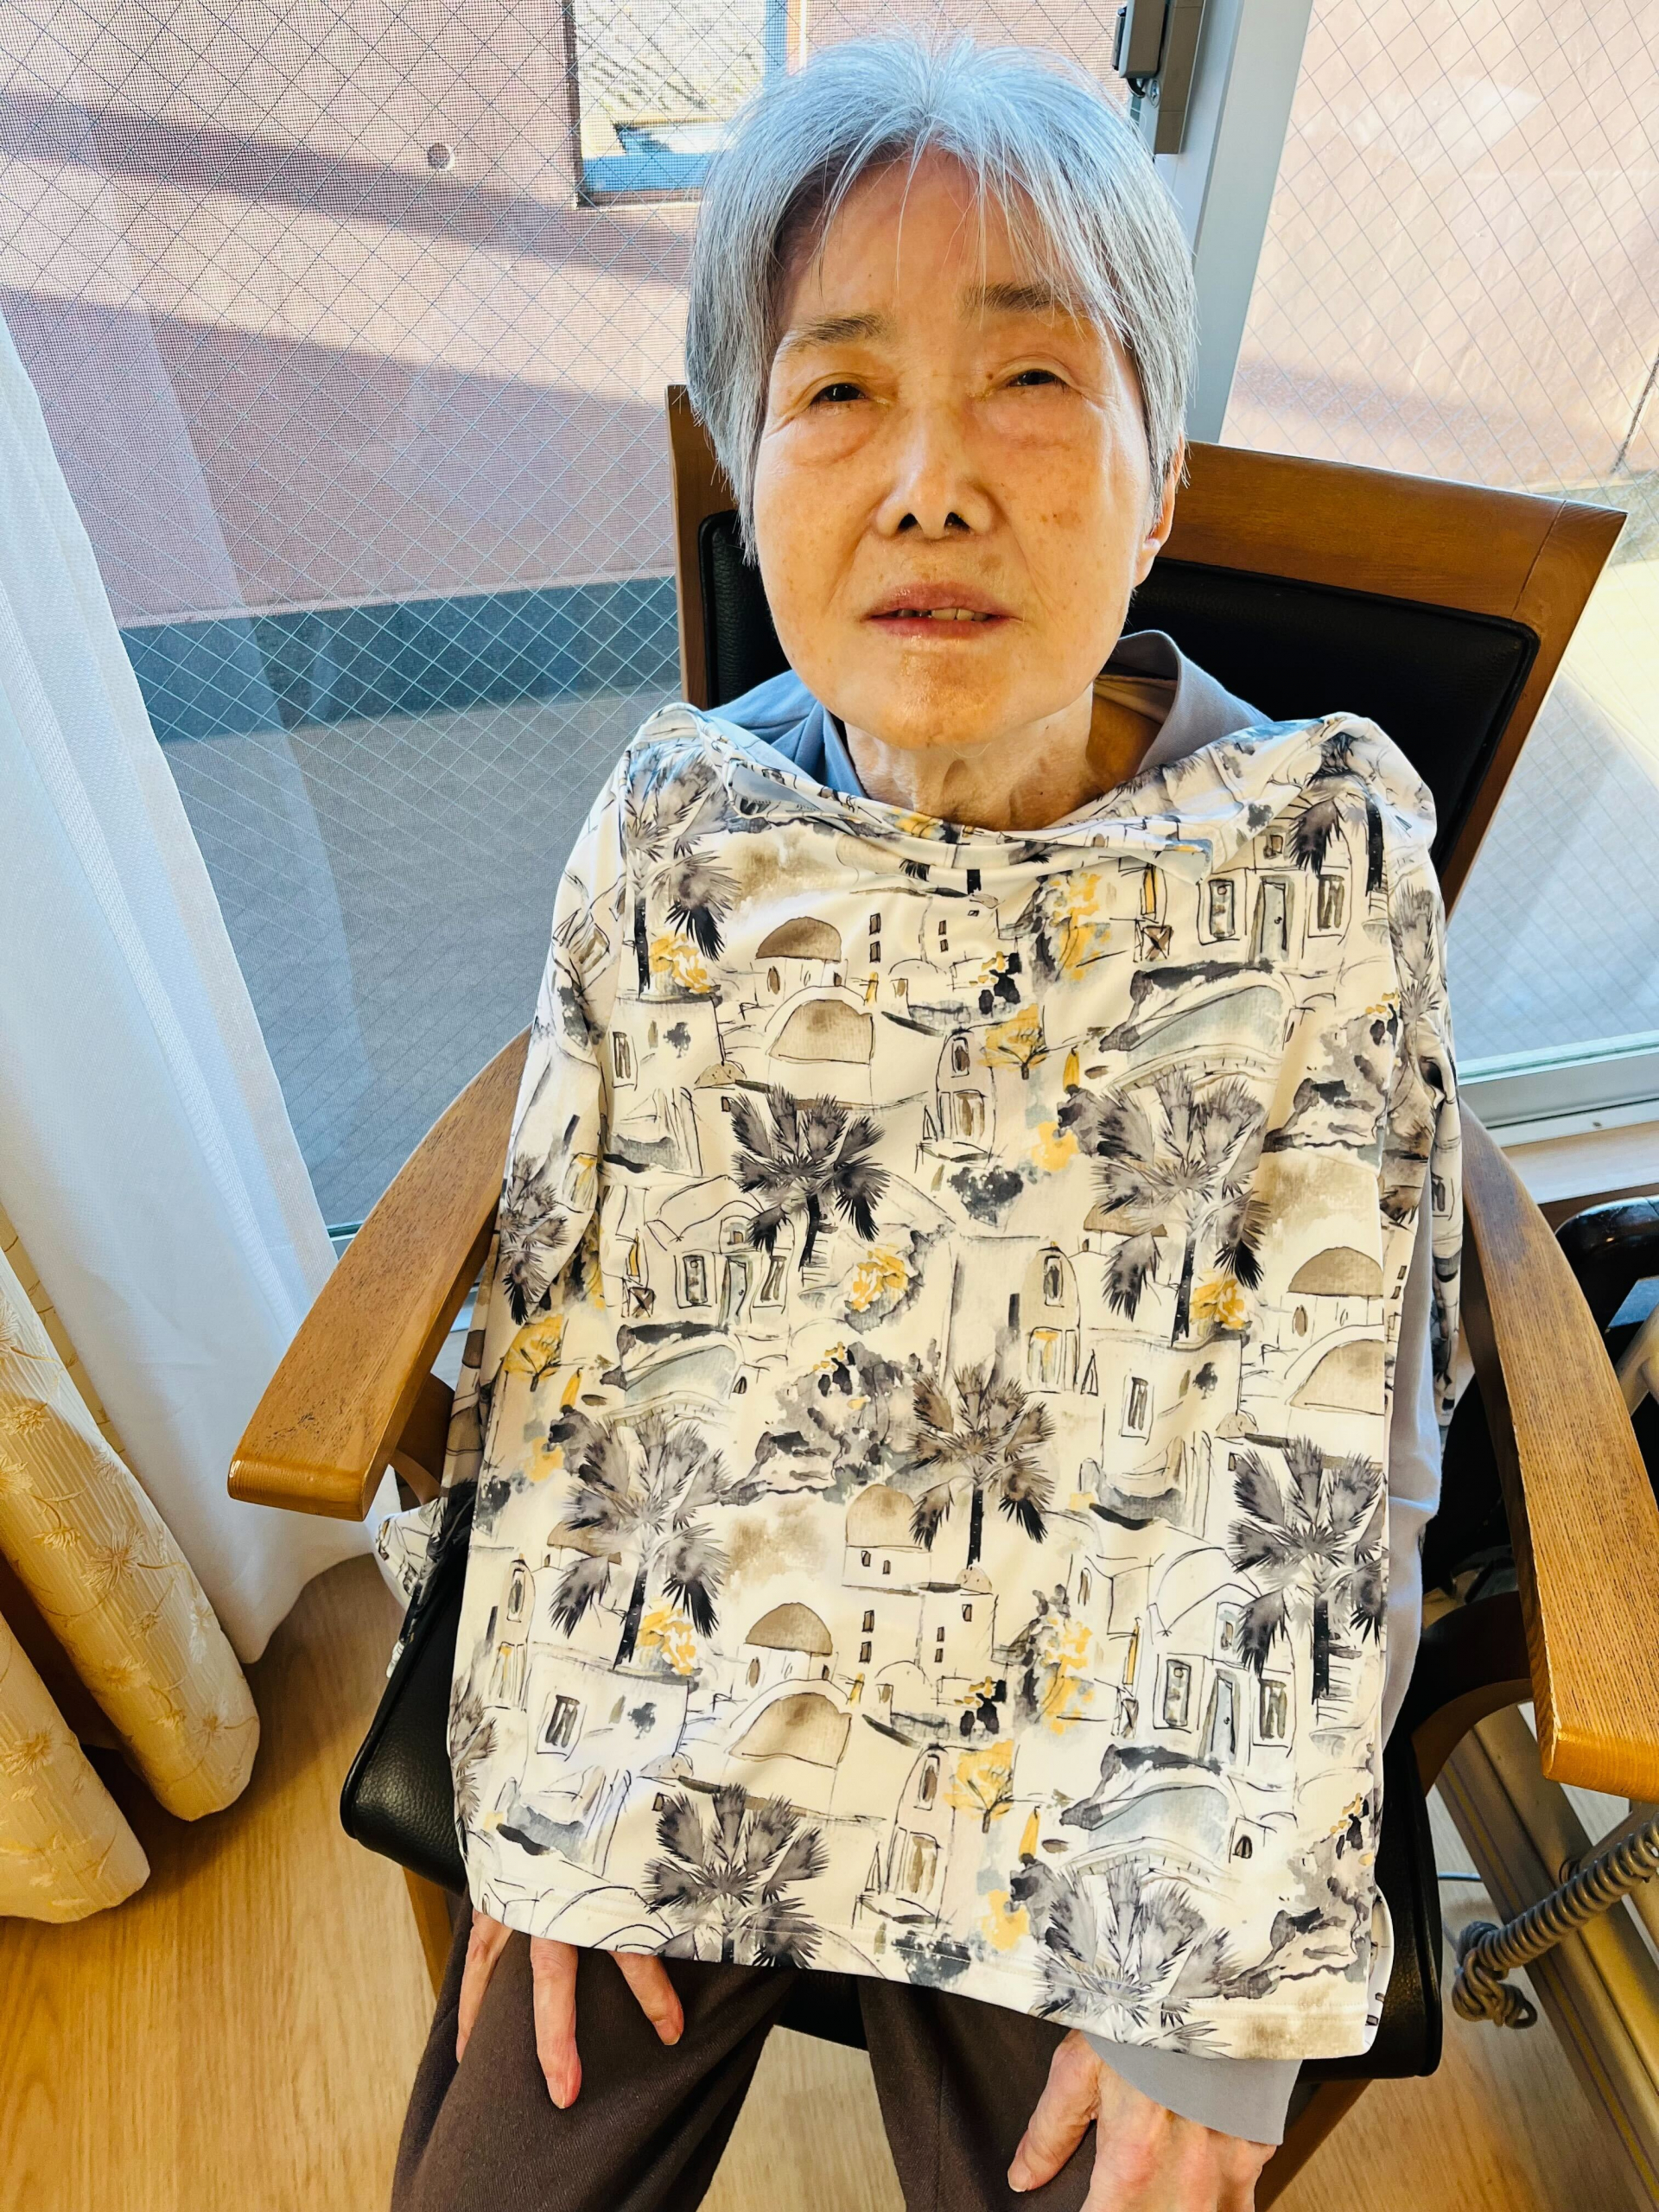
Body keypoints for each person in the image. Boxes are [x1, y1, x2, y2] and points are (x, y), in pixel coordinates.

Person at [383, 33, 1460, 2212]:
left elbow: (1341, 1438)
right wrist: (552, 1778)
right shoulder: (679, 840)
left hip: (1125, 1737)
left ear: (1162, 477)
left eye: (1033, 379)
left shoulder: (1316, 862)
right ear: (748, 465)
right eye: (842, 390)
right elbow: (569, 1349)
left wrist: (1206, 1989)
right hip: (697, 1675)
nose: (932, 483)